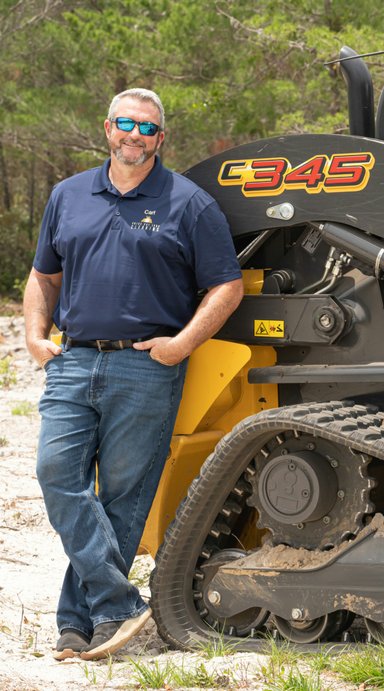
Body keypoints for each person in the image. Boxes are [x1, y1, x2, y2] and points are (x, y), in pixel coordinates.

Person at [24, 88, 244, 661]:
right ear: (107, 128)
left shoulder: (188, 204)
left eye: (147, 128)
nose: (135, 134)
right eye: (125, 123)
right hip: (72, 361)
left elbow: (228, 285)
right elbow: (43, 276)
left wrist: (181, 345)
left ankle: (78, 627)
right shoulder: (67, 195)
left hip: (145, 367)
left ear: (161, 139)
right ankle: (119, 606)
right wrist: (32, 334)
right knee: (56, 475)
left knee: (122, 501)